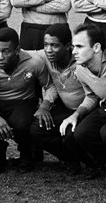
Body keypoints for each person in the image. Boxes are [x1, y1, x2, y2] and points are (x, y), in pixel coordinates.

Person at [0, 27, 54, 174]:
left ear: (17, 50)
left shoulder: (34, 62)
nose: (0, 57)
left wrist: (44, 105)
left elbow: (50, 86)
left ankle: (26, 154)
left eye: (6, 52)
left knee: (21, 123)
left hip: (23, 100)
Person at [59, 24, 106, 186]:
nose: (74, 51)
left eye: (79, 46)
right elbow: (91, 97)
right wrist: (75, 115)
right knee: (81, 133)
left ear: (96, 47)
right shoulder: (80, 69)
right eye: (73, 46)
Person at [26, 24, 88, 174]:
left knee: (71, 137)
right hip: (64, 108)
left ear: (68, 46)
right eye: (46, 45)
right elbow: (17, 51)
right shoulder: (44, 56)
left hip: (85, 109)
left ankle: (93, 161)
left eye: (54, 45)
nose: (48, 50)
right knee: (36, 130)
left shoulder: (81, 58)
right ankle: (68, 159)